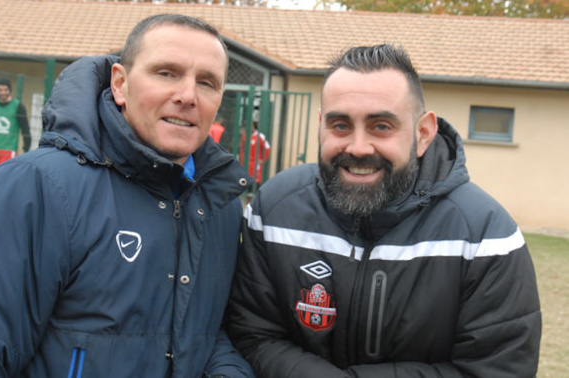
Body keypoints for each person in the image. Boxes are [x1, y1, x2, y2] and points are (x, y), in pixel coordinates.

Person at [0, 14, 254, 377]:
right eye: (166, 73)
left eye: (207, 83)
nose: (188, 96)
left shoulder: (220, 206)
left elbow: (207, 334)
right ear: (120, 84)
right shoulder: (33, 189)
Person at [228, 44, 541, 377]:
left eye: (381, 126)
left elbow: (499, 369)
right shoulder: (275, 210)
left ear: (423, 134)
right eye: (340, 125)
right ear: (320, 125)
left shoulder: (485, 236)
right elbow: (251, 334)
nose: (358, 147)